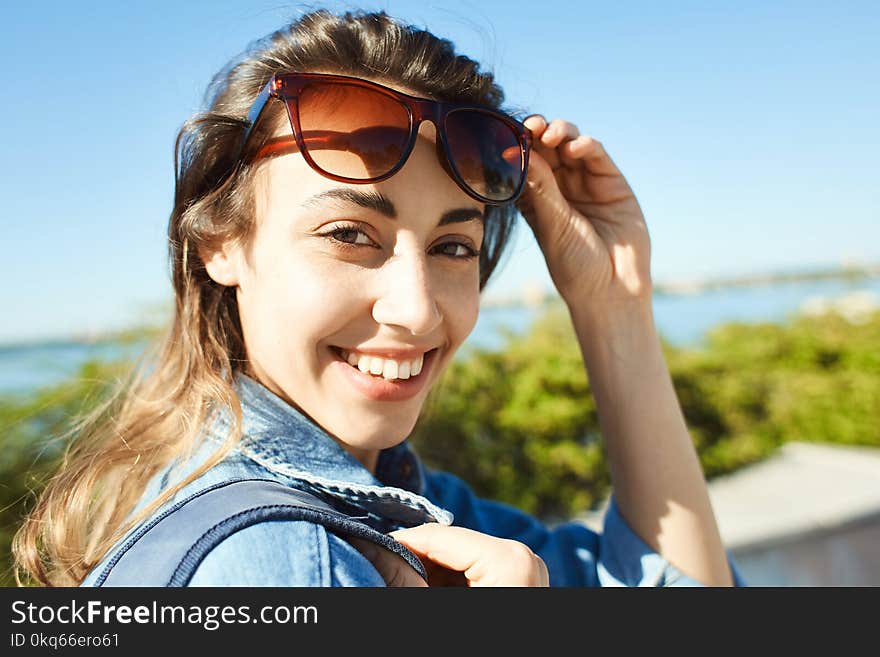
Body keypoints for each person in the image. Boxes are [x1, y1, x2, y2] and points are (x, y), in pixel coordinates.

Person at [14, 9, 741, 587]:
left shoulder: (395, 495)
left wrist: (614, 304)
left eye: (453, 246)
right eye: (349, 234)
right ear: (220, 244)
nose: (418, 310)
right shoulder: (287, 560)